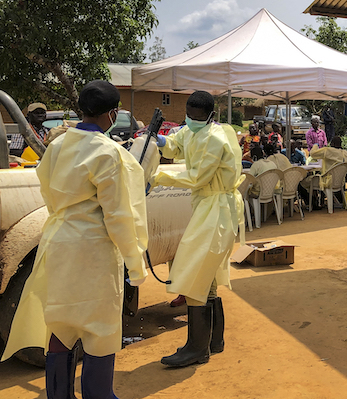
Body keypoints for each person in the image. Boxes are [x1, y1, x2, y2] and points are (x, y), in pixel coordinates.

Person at [1, 80, 149, 398]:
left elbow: (46, 188)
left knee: (61, 326)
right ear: (112, 114)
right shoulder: (108, 153)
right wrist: (136, 266)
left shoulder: (56, 146)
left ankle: (59, 394)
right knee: (99, 330)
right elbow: (119, 217)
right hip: (93, 252)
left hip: (55, 243)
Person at [153, 90, 243, 368]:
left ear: (209, 116)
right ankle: (213, 341)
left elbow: (196, 177)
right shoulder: (192, 130)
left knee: (194, 272)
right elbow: (176, 145)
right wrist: (158, 140)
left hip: (217, 207)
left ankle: (196, 348)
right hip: (206, 205)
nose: (191, 120)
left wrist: (157, 177)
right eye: (188, 116)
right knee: (208, 274)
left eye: (196, 117)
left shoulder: (214, 138)